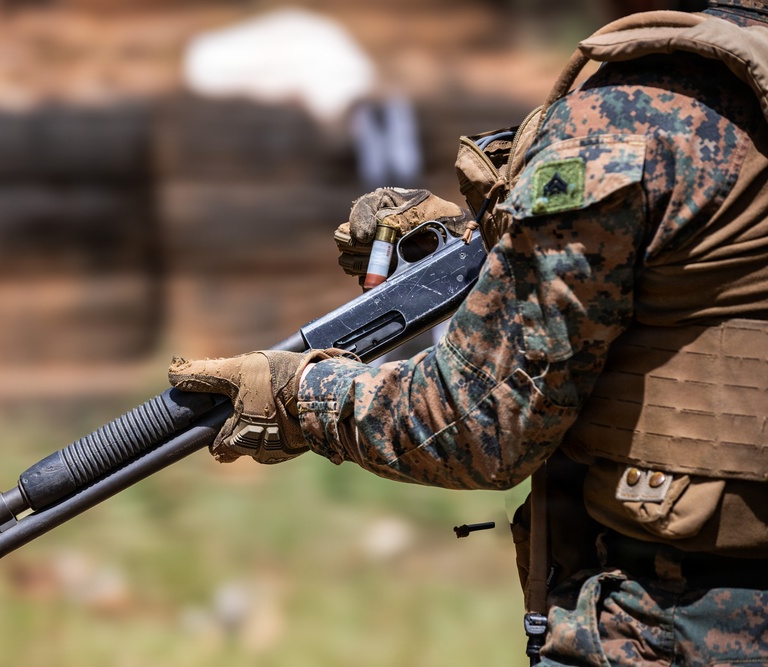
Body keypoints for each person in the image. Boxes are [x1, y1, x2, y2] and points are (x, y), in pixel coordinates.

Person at [169, 2, 768, 665]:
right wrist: (491, 245)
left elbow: (484, 419)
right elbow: (703, 287)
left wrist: (295, 395)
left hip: (677, 625)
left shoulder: (645, 104)